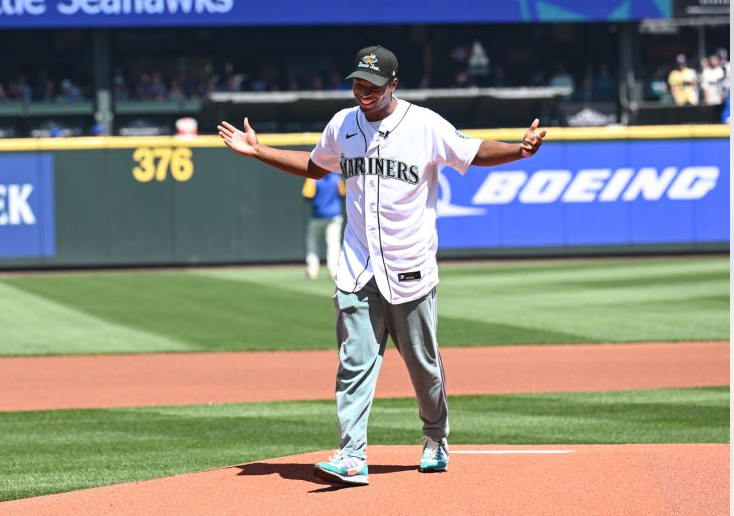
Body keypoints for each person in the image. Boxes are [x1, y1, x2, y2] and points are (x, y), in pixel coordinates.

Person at [217, 45, 547, 486]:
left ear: (393, 85)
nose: (363, 91)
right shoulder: (342, 124)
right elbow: (316, 168)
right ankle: (352, 454)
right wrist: (259, 151)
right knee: (354, 361)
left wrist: (518, 151)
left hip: (410, 264)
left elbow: (471, 151)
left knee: (422, 364)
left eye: (372, 85)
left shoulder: (424, 124)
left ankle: (435, 437)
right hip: (357, 265)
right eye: (357, 83)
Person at [302, 172, 344, 280]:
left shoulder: (313, 177)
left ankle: (312, 271)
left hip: (318, 215)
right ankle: (334, 271)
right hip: (335, 215)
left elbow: (307, 194)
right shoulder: (336, 178)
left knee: (312, 242)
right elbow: (343, 193)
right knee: (334, 244)